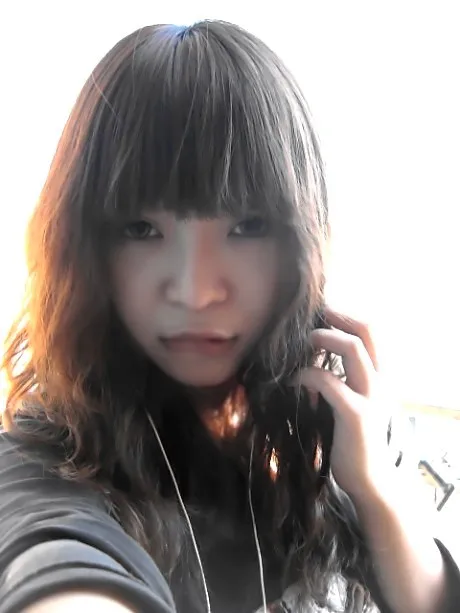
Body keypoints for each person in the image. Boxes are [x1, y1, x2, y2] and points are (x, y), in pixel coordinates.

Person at [0, 20, 458, 613]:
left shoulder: (326, 455)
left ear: (300, 245)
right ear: (84, 250)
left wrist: (376, 492)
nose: (195, 291)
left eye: (247, 227)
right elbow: (57, 563)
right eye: (141, 229)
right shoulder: (46, 470)